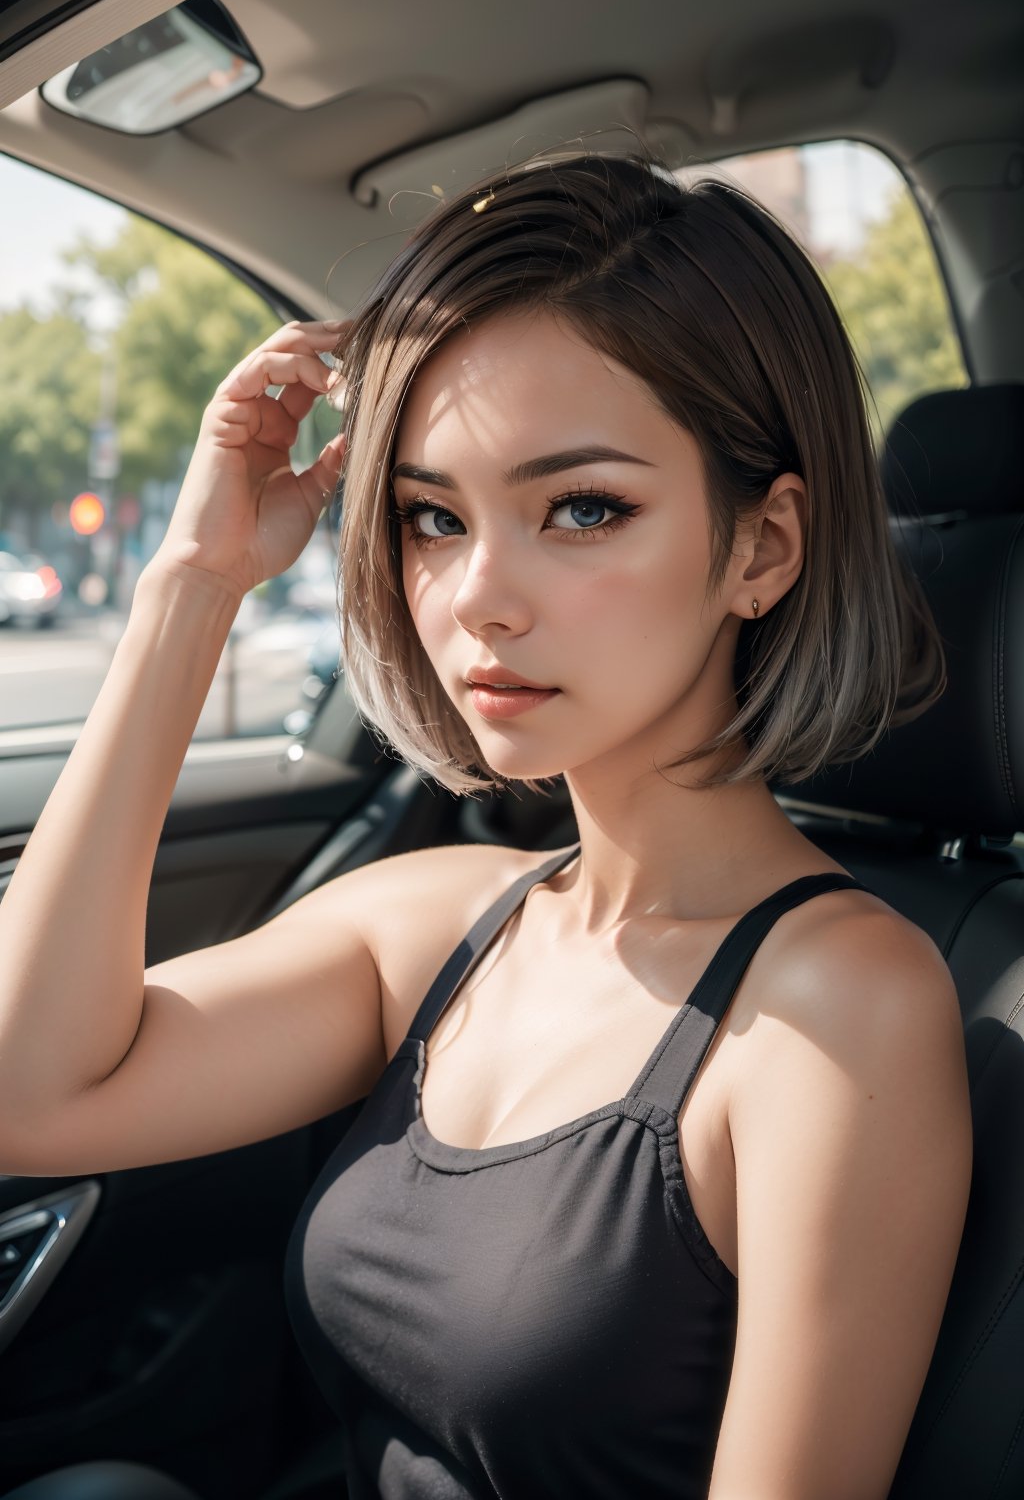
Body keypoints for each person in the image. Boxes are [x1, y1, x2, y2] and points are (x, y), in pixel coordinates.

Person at [0, 151, 973, 1500]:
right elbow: (26, 1094)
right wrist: (194, 584)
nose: (476, 598)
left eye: (583, 509)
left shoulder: (840, 1007)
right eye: (430, 518)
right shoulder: (441, 919)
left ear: (763, 547)